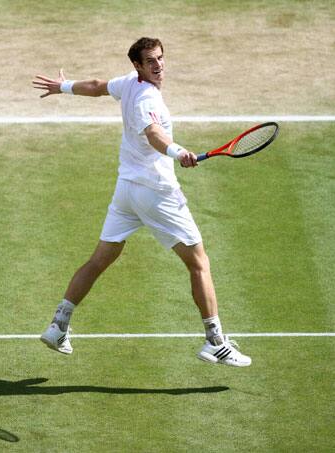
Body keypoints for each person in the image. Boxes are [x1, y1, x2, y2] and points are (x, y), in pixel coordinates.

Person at [32, 37, 251, 367]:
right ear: (138, 65)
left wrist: (62, 86)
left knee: (100, 259)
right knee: (199, 262)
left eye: (160, 58)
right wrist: (178, 152)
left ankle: (58, 325)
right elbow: (153, 134)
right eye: (151, 61)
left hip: (127, 192)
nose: (159, 65)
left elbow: (96, 86)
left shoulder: (128, 83)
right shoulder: (146, 97)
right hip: (156, 192)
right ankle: (215, 342)